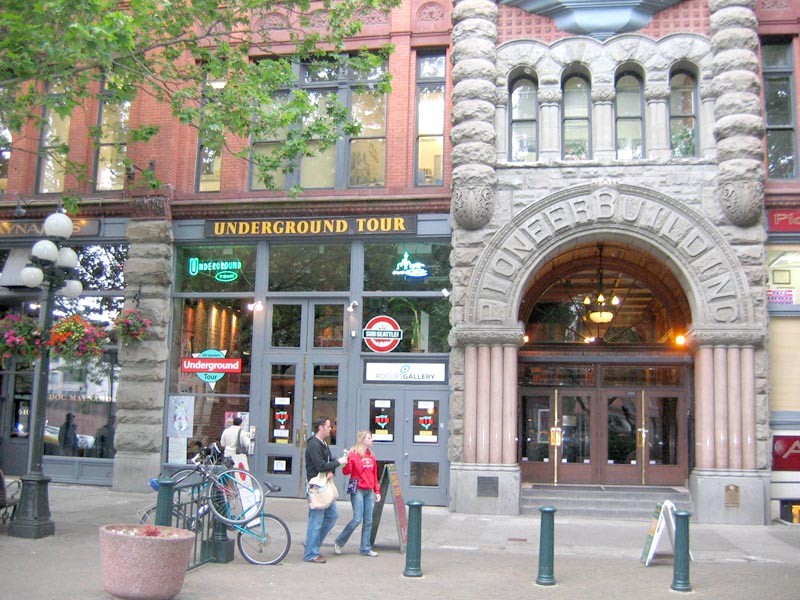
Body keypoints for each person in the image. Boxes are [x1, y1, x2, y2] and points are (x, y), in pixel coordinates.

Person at [303, 416, 346, 563]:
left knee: (332, 515)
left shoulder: (323, 444)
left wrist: (332, 470)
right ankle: (310, 553)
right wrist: (338, 462)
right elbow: (320, 466)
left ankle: (312, 545)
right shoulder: (314, 445)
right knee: (316, 520)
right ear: (320, 427)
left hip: (324, 487)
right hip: (317, 488)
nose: (330, 428)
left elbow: (326, 463)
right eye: (328, 426)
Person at [333, 430, 382, 557]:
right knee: (357, 518)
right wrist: (346, 460)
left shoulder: (371, 456)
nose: (372, 440)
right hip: (358, 489)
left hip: (369, 490)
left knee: (369, 520)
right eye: (369, 438)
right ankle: (339, 541)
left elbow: (375, 475)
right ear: (362, 440)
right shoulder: (353, 454)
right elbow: (346, 471)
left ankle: (365, 547)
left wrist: (377, 490)